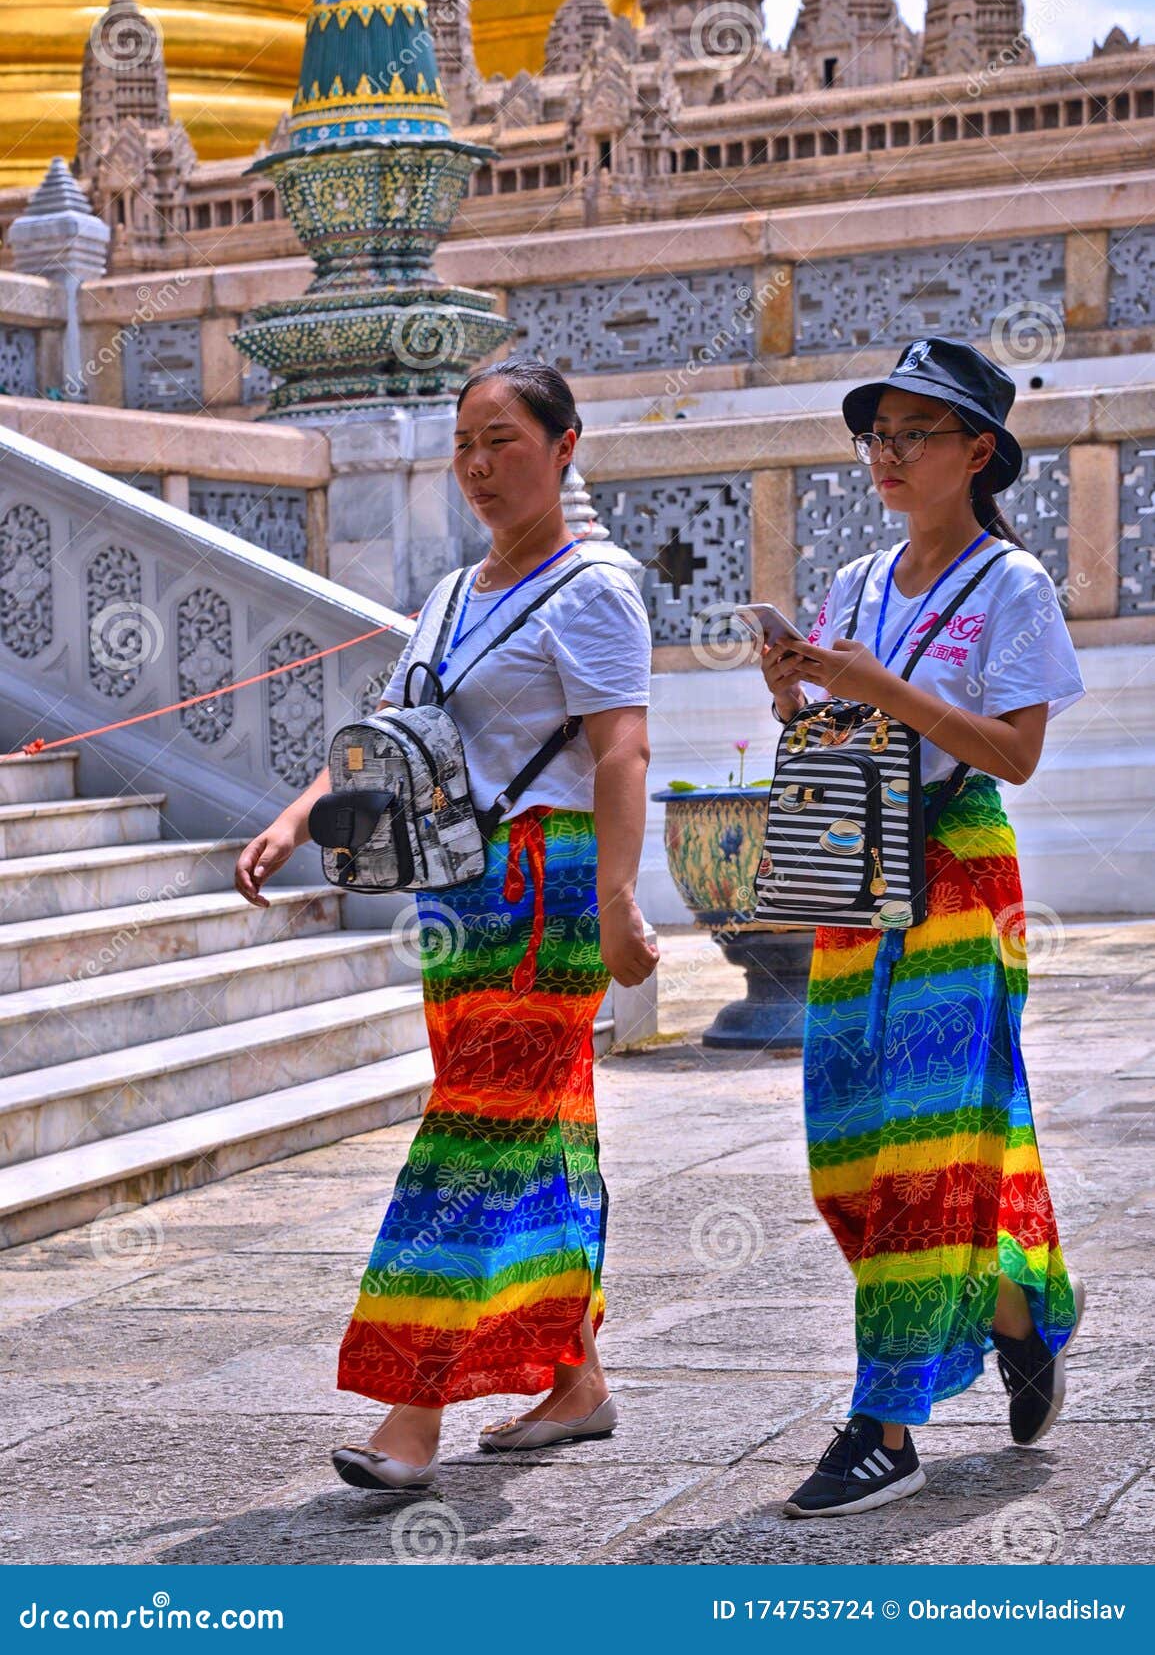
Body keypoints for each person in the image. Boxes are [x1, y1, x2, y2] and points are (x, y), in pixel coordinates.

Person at [235, 357, 658, 1489]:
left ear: (565, 447)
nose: (478, 466)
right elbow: (393, 729)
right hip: (456, 896)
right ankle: (575, 1379)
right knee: (543, 1131)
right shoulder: (453, 594)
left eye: (503, 440)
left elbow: (622, 750)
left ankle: (410, 1409)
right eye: (465, 443)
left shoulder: (595, 589)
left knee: (470, 1135)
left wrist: (620, 904)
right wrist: (295, 816)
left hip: (547, 895)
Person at [759, 336, 1086, 1518]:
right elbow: (844, 730)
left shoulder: (1015, 588)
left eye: (915, 435)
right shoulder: (852, 581)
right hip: (858, 879)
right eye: (877, 435)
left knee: (929, 1152)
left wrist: (884, 688)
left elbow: (1015, 754)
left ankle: (885, 1422)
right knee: (846, 1149)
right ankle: (1020, 1303)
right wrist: (795, 686)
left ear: (977, 451)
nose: (888, 456)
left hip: (960, 874)